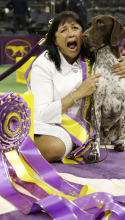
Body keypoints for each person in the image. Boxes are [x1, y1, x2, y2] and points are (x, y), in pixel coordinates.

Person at [29, 11, 125, 163]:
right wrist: (78, 93)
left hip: (85, 126)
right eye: (63, 30)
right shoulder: (43, 65)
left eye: (75, 28)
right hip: (52, 123)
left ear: (83, 34)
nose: (71, 34)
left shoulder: (91, 57)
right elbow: (42, 114)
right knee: (55, 148)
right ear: (54, 39)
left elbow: (114, 57)